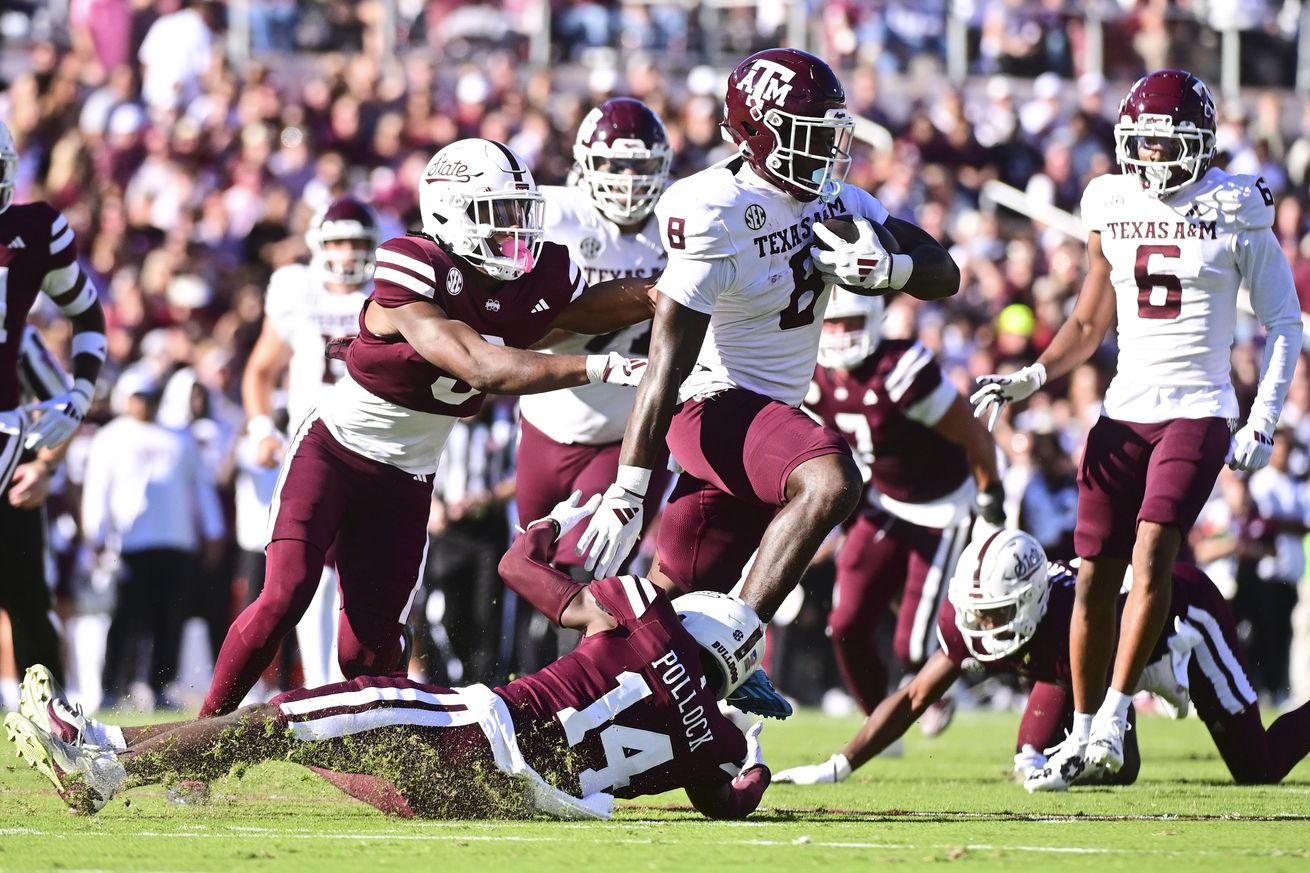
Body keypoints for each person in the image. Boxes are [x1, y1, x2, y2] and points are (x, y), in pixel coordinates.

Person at [199, 138, 656, 718]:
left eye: (519, 212)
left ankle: (391, 768)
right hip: (336, 451)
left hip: (408, 478)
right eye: (497, 214)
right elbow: (477, 364)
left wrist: (668, 296)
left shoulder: (527, 278)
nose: (514, 229)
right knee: (285, 593)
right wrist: (603, 365)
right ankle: (202, 738)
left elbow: (587, 308)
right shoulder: (410, 263)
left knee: (368, 654)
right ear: (449, 212)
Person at [6, 493, 771, 821]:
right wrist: (755, 755)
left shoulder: (645, 616)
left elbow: (517, 570)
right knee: (284, 738)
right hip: (495, 801)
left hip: (477, 732)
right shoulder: (720, 741)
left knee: (280, 718)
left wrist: (544, 530)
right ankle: (96, 743)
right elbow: (729, 799)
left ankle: (103, 770)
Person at [576, 49, 960, 675]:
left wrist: (897, 268)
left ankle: (575, 709)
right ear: (760, 133)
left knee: (664, 612)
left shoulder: (837, 202)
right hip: (710, 403)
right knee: (832, 481)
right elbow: (666, 360)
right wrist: (629, 487)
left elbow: (946, 271)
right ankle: (739, 650)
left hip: (768, 421)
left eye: (830, 138)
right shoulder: (714, 208)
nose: (826, 155)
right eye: (810, 139)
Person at [970, 70, 1302, 787]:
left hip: (1199, 405)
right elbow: (1090, 321)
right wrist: (1033, 376)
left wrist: (1263, 416)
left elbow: (1283, 322)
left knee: (1153, 553)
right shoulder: (1109, 200)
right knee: (1093, 578)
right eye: (1142, 142)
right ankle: (1086, 732)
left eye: (1166, 142)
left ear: (1201, 144)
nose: (1151, 157)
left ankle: (1116, 721)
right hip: (1123, 410)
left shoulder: (1234, 203)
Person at [774, 530, 1310, 789]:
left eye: (996, 613)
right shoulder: (976, 617)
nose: (983, 627)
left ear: (1031, 601)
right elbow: (915, 694)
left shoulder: (1065, 619)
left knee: (1257, 769)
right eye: (978, 612)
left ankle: (1164, 673)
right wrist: (837, 766)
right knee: (1051, 760)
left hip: (1179, 620)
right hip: (1091, 661)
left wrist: (1063, 746)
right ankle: (1134, 685)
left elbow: (1072, 678)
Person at [804, 289, 1003, 719]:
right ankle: (879, 719)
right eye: (832, 324)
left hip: (942, 506)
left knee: (913, 647)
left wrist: (990, 501)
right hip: (881, 500)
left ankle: (941, 691)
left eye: (850, 324)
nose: (838, 335)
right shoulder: (814, 374)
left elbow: (974, 435)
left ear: (874, 320)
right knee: (844, 625)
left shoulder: (901, 370)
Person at [516, 97, 673, 576]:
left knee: (591, 571)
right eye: (614, 164)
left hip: (627, 433)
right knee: (532, 568)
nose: (628, 179)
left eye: (640, 165)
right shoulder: (556, 215)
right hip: (544, 423)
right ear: (585, 165)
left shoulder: (681, 221)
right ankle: (528, 657)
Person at [240, 196, 380, 690]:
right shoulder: (296, 290)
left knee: (372, 573)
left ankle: (366, 685)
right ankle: (319, 684)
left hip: (377, 451)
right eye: (338, 241)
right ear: (320, 244)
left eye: (357, 243)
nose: (346, 253)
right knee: (308, 573)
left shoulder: (391, 292)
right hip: (315, 450)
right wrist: (262, 429)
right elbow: (260, 370)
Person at [0, 119, 108, 687]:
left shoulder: (33, 233)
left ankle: (55, 730)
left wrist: (47, 460)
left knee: (29, 602)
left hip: (8, 452)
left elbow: (83, 317)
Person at [80, 370, 226, 707]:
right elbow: (96, 490)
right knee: (127, 619)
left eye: (149, 398)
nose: (144, 404)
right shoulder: (111, 437)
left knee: (169, 618)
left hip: (177, 542)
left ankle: (161, 686)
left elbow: (201, 488)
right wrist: (95, 534)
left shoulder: (180, 438)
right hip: (131, 545)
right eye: (138, 397)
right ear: (127, 400)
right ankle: (111, 689)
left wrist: (214, 530)